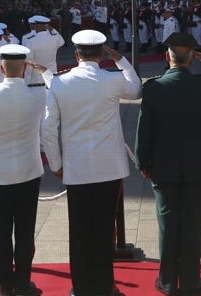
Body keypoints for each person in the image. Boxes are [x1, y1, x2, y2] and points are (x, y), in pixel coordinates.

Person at [43, 29, 142, 296]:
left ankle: (81, 287)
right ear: (101, 55)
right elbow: (135, 89)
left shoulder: (59, 83)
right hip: (108, 167)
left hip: (75, 167)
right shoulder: (111, 79)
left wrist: (55, 164)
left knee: (79, 231)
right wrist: (122, 61)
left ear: (76, 55)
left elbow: (48, 129)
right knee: (103, 230)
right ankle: (103, 285)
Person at [135, 33, 201, 296]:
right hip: (196, 165)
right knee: (192, 224)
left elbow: (144, 129)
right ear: (192, 60)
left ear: (167, 57)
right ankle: (190, 279)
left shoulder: (153, 87)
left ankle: (167, 281)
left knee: (167, 224)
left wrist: (142, 160)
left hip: (163, 166)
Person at [0, 44, 49, 296]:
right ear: (25, 67)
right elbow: (56, 93)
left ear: (0, 68)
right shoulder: (38, 94)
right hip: (29, 171)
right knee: (26, 232)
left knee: (1, 232)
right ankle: (23, 282)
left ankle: (5, 285)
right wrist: (45, 73)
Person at [23, 15, 63, 83]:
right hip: (52, 75)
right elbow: (62, 42)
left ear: (37, 26)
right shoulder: (55, 38)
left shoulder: (31, 41)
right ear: (46, 26)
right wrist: (53, 30)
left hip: (37, 78)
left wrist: (27, 81)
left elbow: (29, 64)